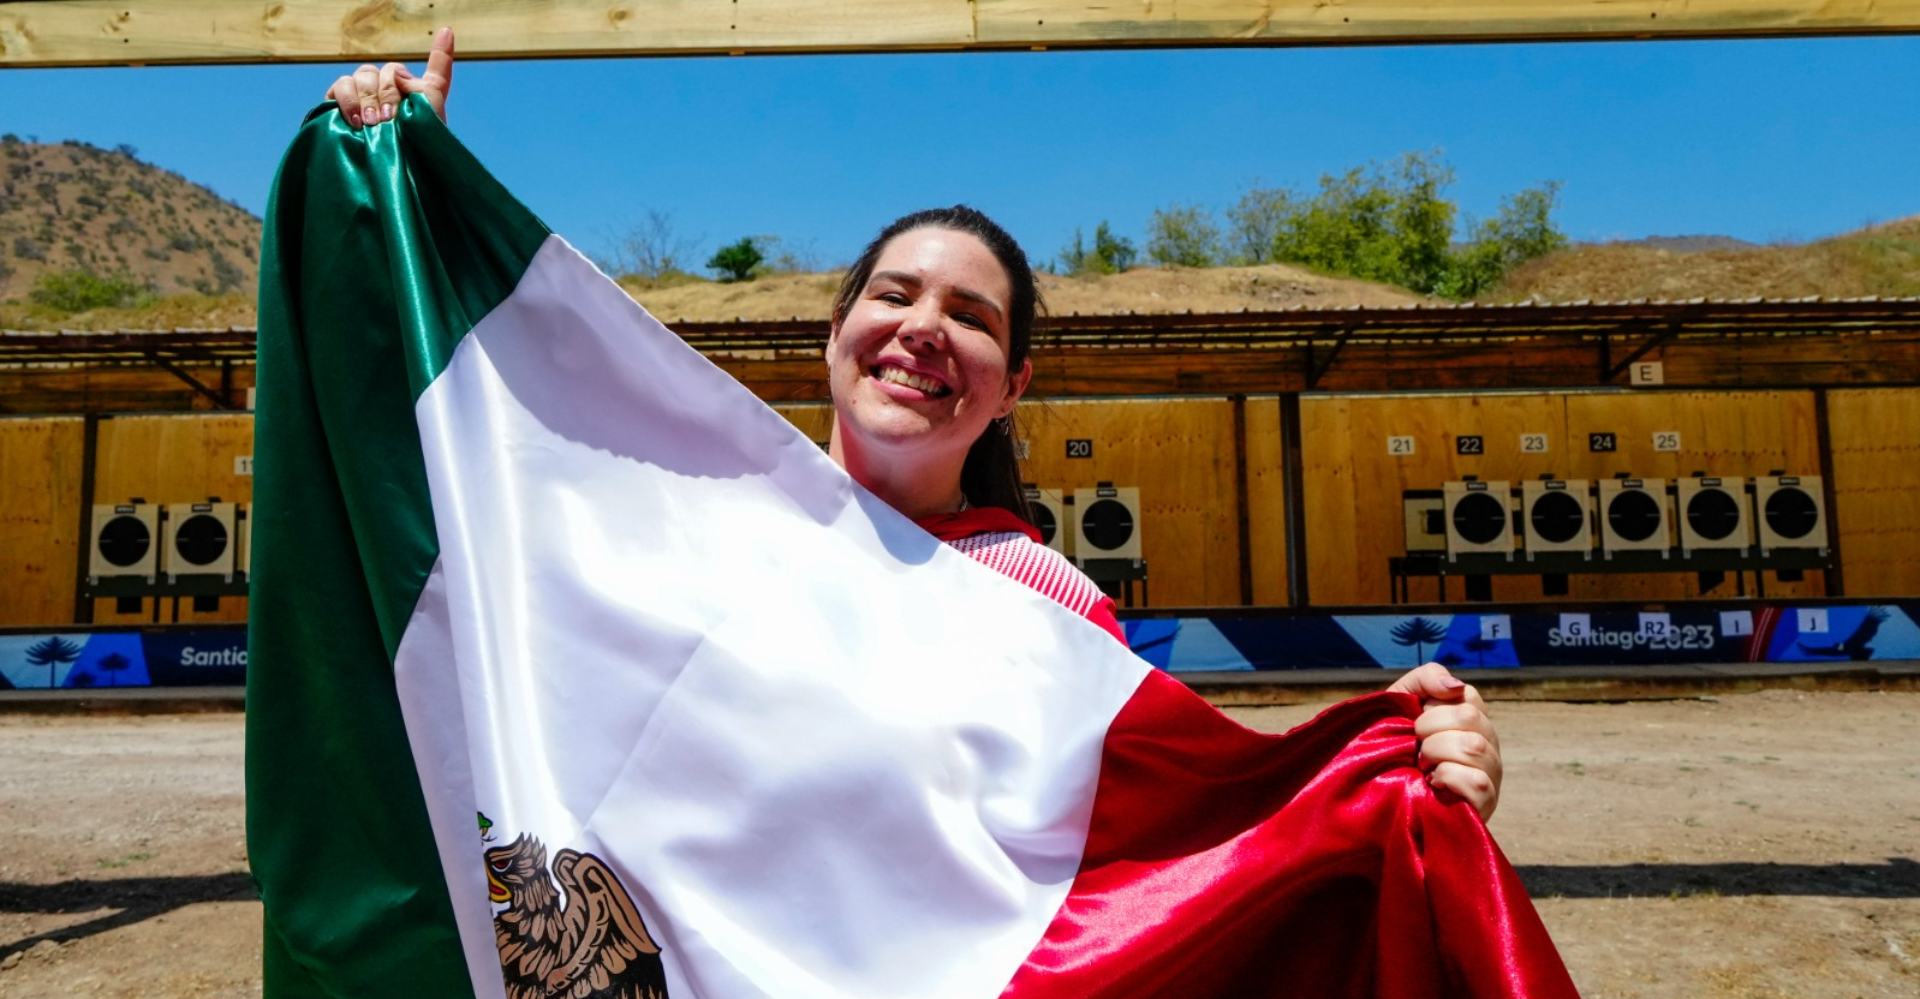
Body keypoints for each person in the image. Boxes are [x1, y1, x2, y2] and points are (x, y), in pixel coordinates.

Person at [325, 29, 1504, 820]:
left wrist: (1385, 783)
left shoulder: (1046, 596)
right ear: (832, 334)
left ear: (1013, 383)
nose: (925, 329)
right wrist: (395, 222)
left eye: (972, 316)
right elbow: (457, 499)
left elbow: (1172, 831)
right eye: (894, 295)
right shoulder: (690, 516)